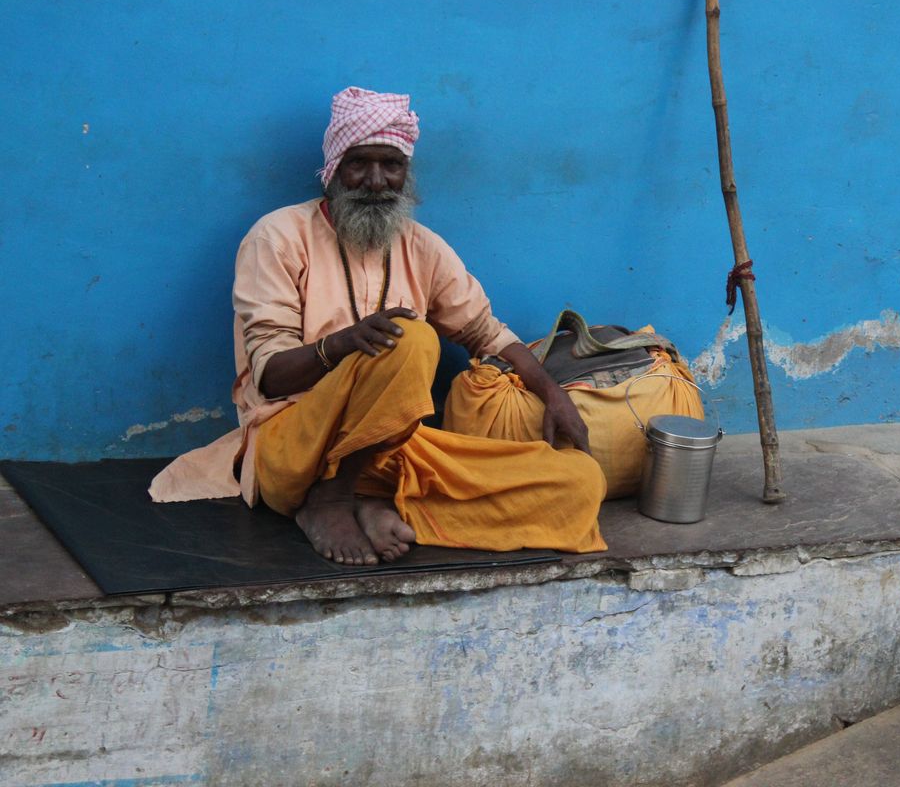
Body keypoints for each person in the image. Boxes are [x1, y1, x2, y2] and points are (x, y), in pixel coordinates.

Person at [150, 87, 607, 565]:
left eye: (391, 164)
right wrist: (342, 345)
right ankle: (329, 499)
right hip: (293, 449)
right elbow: (269, 376)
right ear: (333, 169)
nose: (375, 181)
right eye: (358, 163)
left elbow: (486, 333)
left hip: (386, 454)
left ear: (406, 172)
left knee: (578, 482)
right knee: (410, 338)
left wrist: (552, 392)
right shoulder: (278, 236)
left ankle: (368, 503)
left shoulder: (422, 246)